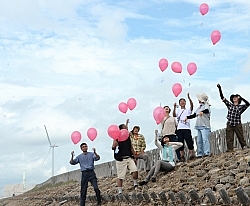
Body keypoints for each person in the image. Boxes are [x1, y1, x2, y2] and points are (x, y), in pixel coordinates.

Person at [217, 84, 250, 151]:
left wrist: (241, 98)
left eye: (236, 97)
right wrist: (219, 88)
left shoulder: (240, 107)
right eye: (233, 97)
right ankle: (230, 149)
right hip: (230, 123)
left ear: (238, 99)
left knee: (240, 136)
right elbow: (222, 97)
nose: (234, 98)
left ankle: (244, 146)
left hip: (237, 123)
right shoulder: (230, 105)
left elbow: (248, 104)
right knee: (229, 137)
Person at [111, 122, 138, 194]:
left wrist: (134, 156)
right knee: (120, 176)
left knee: (135, 170)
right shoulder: (116, 137)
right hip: (120, 159)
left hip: (129, 157)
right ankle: (120, 191)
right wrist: (114, 145)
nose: (127, 129)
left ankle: (135, 184)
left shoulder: (127, 137)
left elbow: (131, 147)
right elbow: (113, 147)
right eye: (125, 128)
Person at [185, 93, 211, 158]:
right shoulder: (199, 107)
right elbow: (194, 115)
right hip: (199, 125)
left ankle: (206, 152)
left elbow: (207, 110)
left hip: (205, 125)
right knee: (199, 140)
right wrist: (187, 117)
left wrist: (202, 112)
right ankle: (200, 153)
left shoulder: (206, 105)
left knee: (205, 139)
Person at [173, 93, 195, 161]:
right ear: (179, 104)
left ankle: (191, 154)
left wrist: (189, 99)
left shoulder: (188, 110)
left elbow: (192, 106)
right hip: (179, 129)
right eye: (181, 101)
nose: (182, 102)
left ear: (185, 103)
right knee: (180, 143)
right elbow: (174, 115)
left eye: (183, 101)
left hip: (187, 128)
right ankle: (182, 155)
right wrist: (174, 107)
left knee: (189, 142)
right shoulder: (178, 111)